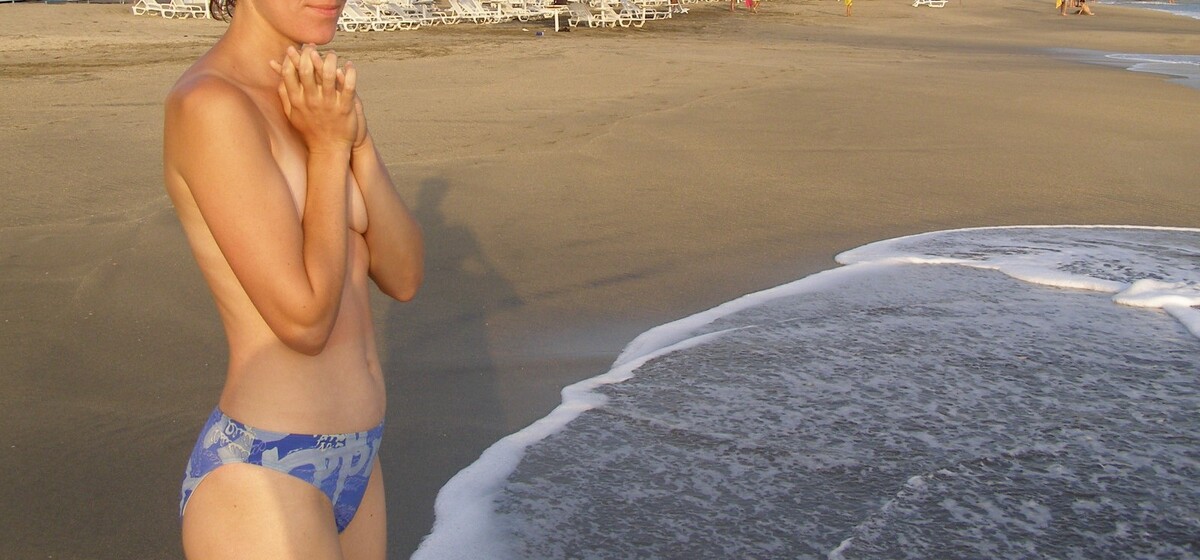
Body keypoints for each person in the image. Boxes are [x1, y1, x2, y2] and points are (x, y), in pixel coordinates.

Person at [162, 0, 424, 555]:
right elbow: (304, 323)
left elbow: (403, 276)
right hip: (264, 471)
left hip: (360, 457)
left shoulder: (315, 101)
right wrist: (328, 149)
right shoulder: (211, 105)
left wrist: (356, 142)